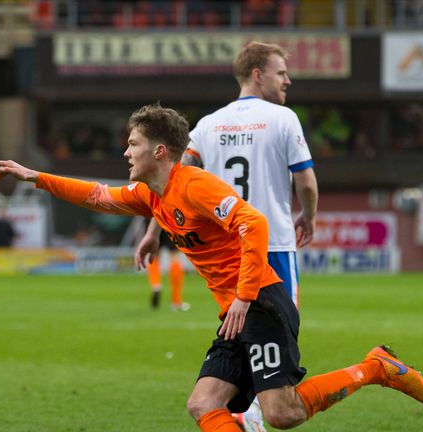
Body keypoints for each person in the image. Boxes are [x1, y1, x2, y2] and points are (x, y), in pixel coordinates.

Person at [0, 104, 423, 431]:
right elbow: (97, 195)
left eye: (133, 144)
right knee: (203, 404)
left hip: (258, 300)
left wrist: (242, 295)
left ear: (159, 151)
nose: (126, 152)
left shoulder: (193, 185)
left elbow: (252, 223)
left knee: (282, 413)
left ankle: (375, 368)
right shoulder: (151, 196)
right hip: (234, 313)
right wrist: (35, 177)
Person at [136, 41, 319, 431]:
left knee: (245, 340)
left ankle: (246, 416)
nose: (288, 79)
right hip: (272, 245)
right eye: (281, 72)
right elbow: (305, 179)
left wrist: (154, 230)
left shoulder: (207, 126)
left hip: (227, 252)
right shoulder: (283, 118)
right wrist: (309, 215)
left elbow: (166, 184)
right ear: (257, 74)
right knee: (276, 347)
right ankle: (255, 416)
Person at [146, 228, 188, 311]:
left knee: (153, 255)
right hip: (169, 221)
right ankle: (176, 301)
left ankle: (156, 285)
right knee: (175, 257)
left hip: (152, 220)